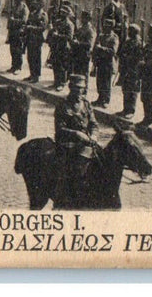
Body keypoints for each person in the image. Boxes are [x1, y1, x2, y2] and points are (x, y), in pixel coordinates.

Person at [54, 74, 97, 206]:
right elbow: (60, 129)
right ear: (70, 88)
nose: (79, 91)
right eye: (76, 88)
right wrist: (77, 134)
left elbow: (94, 124)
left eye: (82, 89)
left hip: (87, 143)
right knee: (75, 169)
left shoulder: (86, 104)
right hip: (68, 143)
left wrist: (94, 135)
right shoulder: (62, 105)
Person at [91, 18, 119, 107]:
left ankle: (106, 100)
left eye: (107, 26)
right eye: (105, 25)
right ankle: (100, 98)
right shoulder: (101, 36)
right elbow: (95, 48)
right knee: (99, 82)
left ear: (111, 27)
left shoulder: (114, 37)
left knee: (106, 82)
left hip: (108, 63)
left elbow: (113, 51)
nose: (105, 27)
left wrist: (101, 48)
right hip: (100, 62)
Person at [117, 24, 143, 118]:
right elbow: (122, 52)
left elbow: (139, 57)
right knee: (125, 89)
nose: (128, 33)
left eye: (130, 31)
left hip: (134, 69)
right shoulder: (128, 41)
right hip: (126, 68)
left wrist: (128, 57)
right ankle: (125, 109)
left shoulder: (139, 43)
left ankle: (131, 110)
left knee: (132, 90)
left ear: (135, 32)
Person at [47, 4, 74, 91]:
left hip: (64, 47)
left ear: (67, 14)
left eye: (64, 13)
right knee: (55, 64)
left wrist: (58, 35)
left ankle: (62, 83)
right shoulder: (58, 22)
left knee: (62, 66)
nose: (61, 14)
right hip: (56, 46)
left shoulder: (69, 24)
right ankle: (56, 82)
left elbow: (69, 37)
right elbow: (53, 31)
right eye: (61, 12)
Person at [24, 0, 48, 83]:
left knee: (36, 58)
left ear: (41, 5)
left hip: (37, 39)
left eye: (38, 3)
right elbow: (28, 22)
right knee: (30, 57)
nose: (36, 5)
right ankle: (32, 74)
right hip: (30, 38)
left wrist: (31, 27)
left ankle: (36, 76)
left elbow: (42, 28)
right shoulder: (33, 13)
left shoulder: (43, 15)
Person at [6, 0, 29, 74]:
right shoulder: (14, 6)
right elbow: (9, 17)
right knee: (12, 50)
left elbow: (24, 21)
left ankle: (18, 67)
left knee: (18, 50)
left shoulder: (24, 8)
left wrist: (14, 20)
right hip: (12, 30)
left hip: (19, 31)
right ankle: (13, 65)